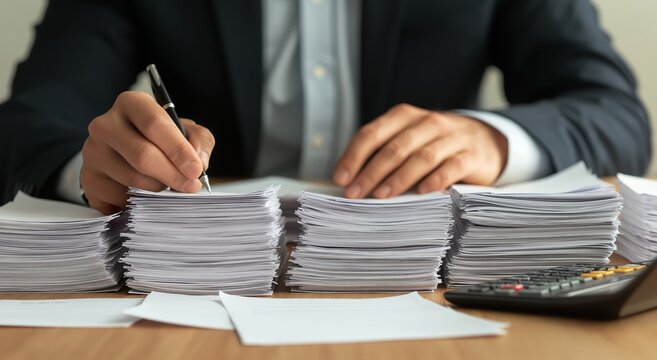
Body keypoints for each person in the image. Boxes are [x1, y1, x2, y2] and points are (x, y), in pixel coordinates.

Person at [0, 0, 651, 214]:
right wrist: (89, 170)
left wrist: (494, 140)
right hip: (188, 294)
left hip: (430, 288)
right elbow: (28, 122)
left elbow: (614, 113)